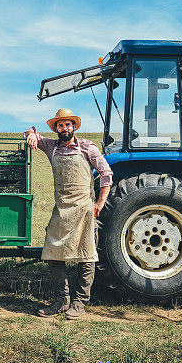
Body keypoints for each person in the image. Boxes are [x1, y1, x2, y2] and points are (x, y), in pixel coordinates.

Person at [24, 108, 113, 319]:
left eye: (68, 124)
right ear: (56, 128)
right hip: (61, 210)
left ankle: (80, 303)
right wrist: (29, 135)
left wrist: (100, 202)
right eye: (60, 125)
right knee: (52, 254)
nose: (65, 128)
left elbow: (106, 174)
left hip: (84, 210)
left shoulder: (86, 148)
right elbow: (32, 133)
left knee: (86, 256)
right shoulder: (51, 147)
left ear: (74, 127)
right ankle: (61, 301)